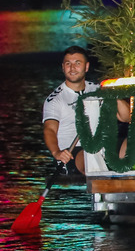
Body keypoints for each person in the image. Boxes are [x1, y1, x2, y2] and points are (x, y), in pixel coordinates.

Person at [43, 46, 129, 174]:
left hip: (103, 147)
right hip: (73, 153)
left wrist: (113, 95)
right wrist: (56, 152)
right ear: (63, 67)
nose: (72, 68)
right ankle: (105, 171)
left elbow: (126, 117)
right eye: (68, 64)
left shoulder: (98, 89)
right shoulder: (55, 99)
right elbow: (49, 129)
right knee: (90, 155)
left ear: (86, 67)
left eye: (77, 63)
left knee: (134, 140)